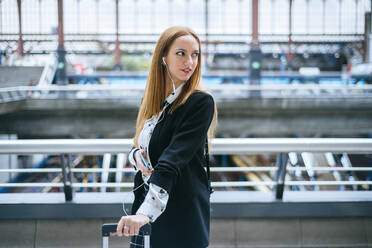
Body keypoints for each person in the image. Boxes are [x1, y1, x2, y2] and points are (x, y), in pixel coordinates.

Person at [113, 26, 217, 248]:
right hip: (145, 207)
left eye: (195, 54)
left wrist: (146, 214)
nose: (189, 61)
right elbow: (141, 145)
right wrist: (135, 156)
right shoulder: (153, 101)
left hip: (180, 215)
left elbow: (172, 159)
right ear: (163, 57)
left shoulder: (200, 103)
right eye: (181, 53)